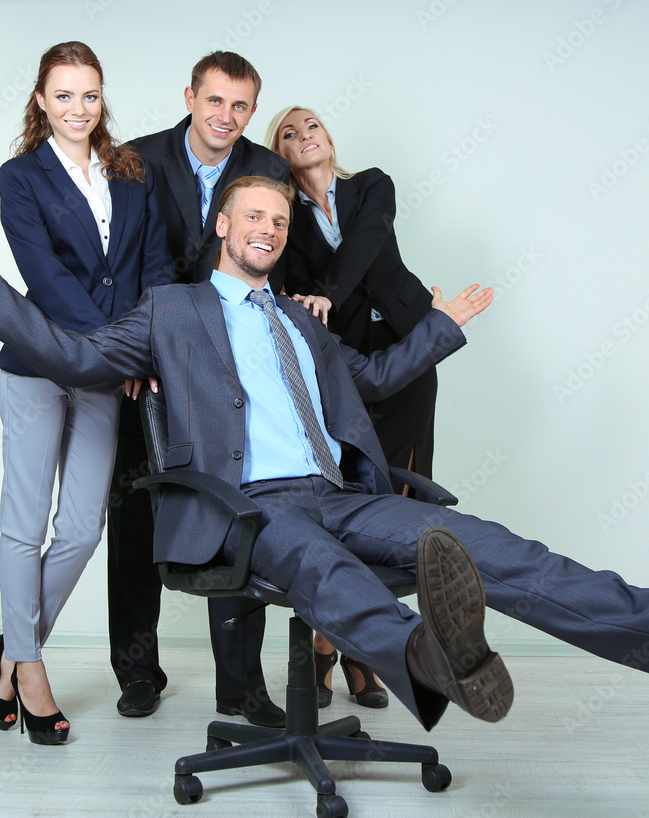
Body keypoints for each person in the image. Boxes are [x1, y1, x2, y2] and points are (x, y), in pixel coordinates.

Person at [0, 175, 649, 734]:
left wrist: (440, 326)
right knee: (312, 558)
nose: (267, 228)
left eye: (279, 220)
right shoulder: (170, 311)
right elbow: (75, 358)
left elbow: (372, 379)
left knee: (494, 547)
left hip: (338, 493)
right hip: (241, 510)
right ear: (223, 224)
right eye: (253, 216)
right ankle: (426, 661)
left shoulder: (302, 322)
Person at [0, 41, 174, 745]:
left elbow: (152, 268)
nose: (78, 108)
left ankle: (10, 653)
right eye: (63, 95)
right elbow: (45, 277)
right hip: (38, 362)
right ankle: (29, 671)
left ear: (102, 98)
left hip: (108, 372)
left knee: (84, 528)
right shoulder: (21, 176)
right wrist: (113, 348)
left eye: (89, 94)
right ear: (41, 101)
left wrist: (136, 347)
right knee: (24, 528)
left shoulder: (132, 172)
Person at [105, 52, 297, 725]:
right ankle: (137, 672)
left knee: (240, 509)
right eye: (215, 101)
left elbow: (269, 258)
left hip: (229, 367)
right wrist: (140, 347)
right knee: (136, 514)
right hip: (149, 364)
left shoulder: (267, 167)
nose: (226, 116)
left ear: (253, 111)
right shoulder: (134, 160)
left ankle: (241, 686)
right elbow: (118, 259)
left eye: (240, 106)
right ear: (190, 97)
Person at [265, 107, 443, 709]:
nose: (304, 136)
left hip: (408, 349)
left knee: (398, 499)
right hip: (347, 366)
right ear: (281, 153)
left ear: (329, 136)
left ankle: (365, 653)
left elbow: (367, 244)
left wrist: (326, 293)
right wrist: (308, 299)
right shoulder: (286, 216)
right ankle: (327, 643)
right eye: (289, 133)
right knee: (348, 498)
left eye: (311, 125)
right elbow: (289, 285)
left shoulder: (371, 185)